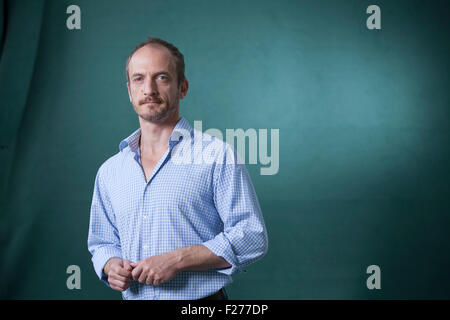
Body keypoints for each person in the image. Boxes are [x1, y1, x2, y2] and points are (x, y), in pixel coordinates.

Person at [87, 37, 268, 300]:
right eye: (138, 79)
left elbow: (252, 236)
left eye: (161, 77)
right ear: (129, 90)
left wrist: (178, 259)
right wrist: (110, 264)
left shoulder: (217, 156)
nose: (148, 89)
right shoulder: (110, 171)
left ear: (182, 87)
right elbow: (102, 242)